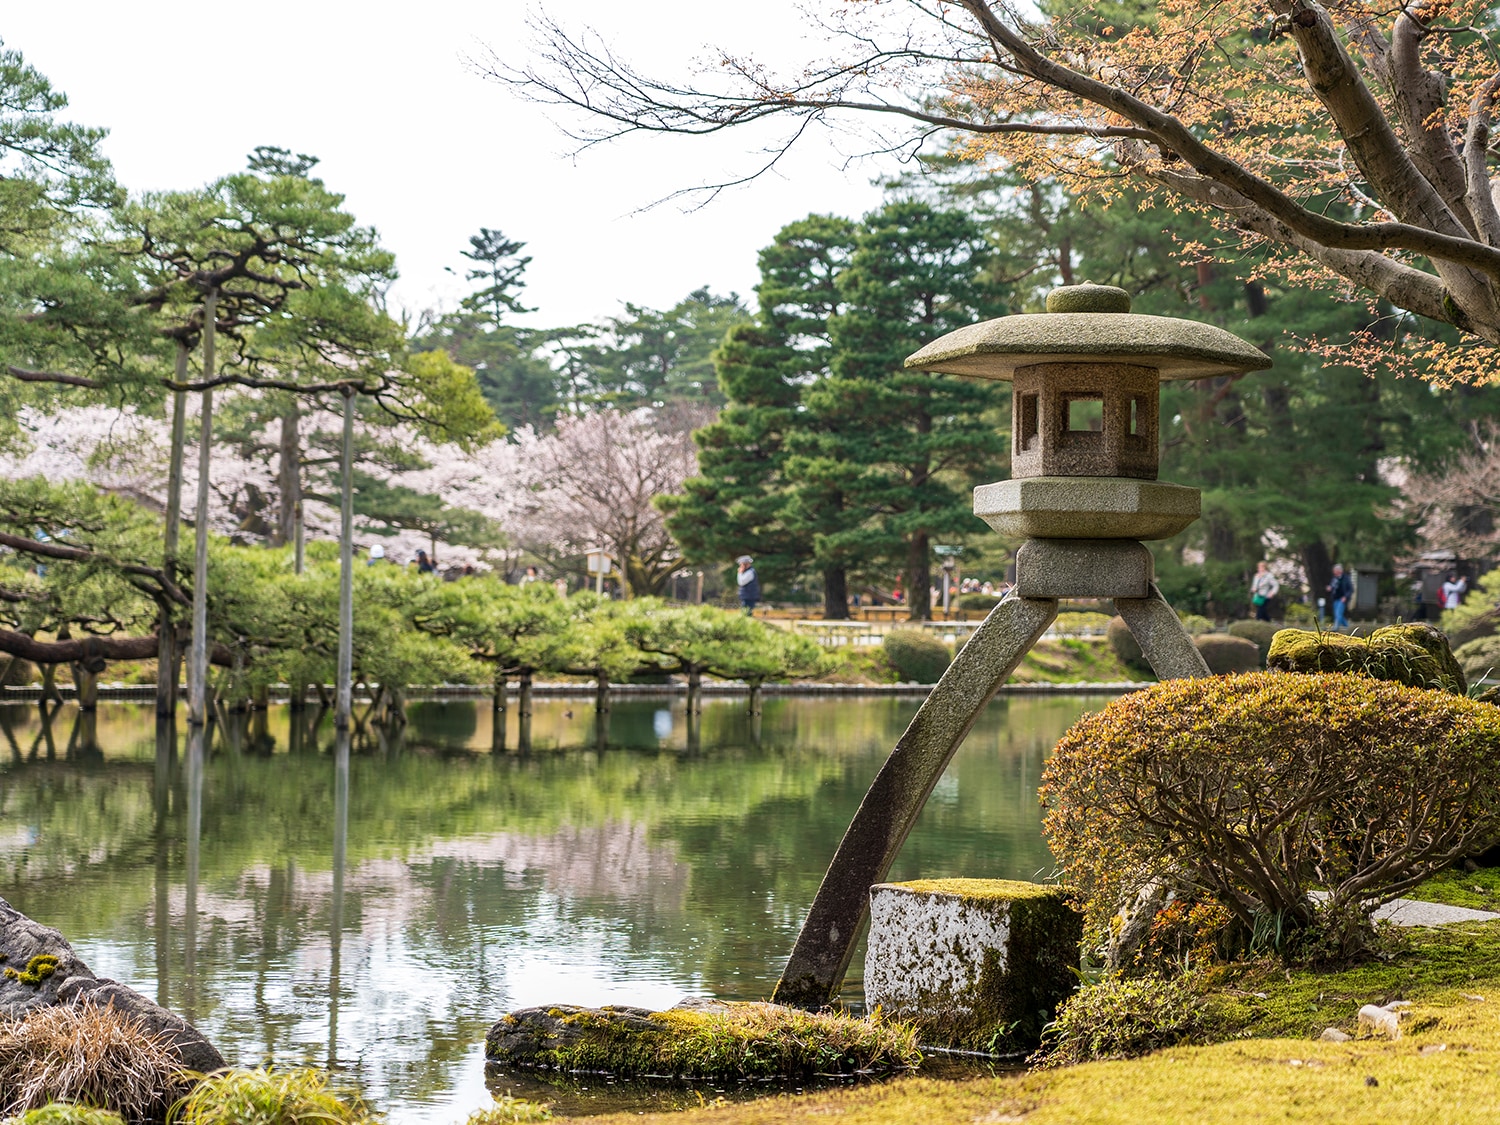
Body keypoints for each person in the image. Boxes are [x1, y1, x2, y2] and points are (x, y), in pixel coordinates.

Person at [1327, 564, 1352, 628]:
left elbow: (1350, 589)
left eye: (1335, 570)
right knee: (1337, 614)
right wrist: (1330, 588)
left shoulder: (1345, 578)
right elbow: (1333, 586)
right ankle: (1347, 626)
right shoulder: (1334, 578)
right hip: (1335, 599)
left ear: (1339, 571)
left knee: (1338, 614)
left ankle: (1337, 627)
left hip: (1342, 599)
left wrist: (1345, 597)